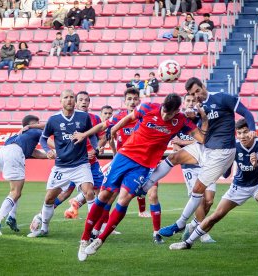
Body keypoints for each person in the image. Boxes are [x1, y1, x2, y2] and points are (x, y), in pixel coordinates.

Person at [73, 92, 208, 261]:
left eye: (169, 113)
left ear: (176, 112)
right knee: (104, 195)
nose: (165, 115)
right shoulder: (147, 107)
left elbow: (203, 138)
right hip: (125, 156)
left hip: (143, 166)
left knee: (124, 199)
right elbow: (128, 118)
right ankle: (84, 239)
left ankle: (101, 239)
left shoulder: (180, 120)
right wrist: (114, 128)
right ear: (163, 105)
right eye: (164, 111)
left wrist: (203, 117)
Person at [144, 77, 256, 238]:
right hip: (205, 147)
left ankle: (180, 224)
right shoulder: (199, 107)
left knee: (198, 190)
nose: (197, 95)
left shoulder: (223, 98)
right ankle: (145, 186)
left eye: (197, 90)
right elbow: (199, 126)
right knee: (174, 157)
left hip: (221, 152)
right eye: (192, 94)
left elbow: (246, 113)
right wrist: (195, 115)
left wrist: (253, 130)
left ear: (203, 86)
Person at [170, 119, 258, 254]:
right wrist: (223, 166)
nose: (242, 136)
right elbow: (227, 172)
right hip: (239, 186)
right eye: (239, 133)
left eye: (245, 132)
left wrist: (256, 165)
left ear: (251, 132)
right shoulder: (233, 146)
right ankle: (187, 243)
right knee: (216, 215)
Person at [28, 91, 104, 231]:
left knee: (89, 192)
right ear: (60, 101)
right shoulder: (53, 119)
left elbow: (92, 135)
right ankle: (43, 227)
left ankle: (94, 230)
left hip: (81, 164)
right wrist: (47, 150)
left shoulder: (84, 117)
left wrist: (95, 148)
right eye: (66, 97)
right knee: (50, 198)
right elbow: (43, 138)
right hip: (62, 166)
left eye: (71, 97)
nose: (69, 100)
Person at [0, 115, 46, 235]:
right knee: (16, 192)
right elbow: (49, 128)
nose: (39, 125)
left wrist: (56, 155)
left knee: (16, 191)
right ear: (31, 124)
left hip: (3, 152)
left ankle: (12, 217)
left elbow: (36, 153)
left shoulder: (21, 135)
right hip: (14, 153)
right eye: (37, 123)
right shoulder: (34, 130)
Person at [173, 93, 216, 243]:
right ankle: (203, 233)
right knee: (198, 198)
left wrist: (184, 142)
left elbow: (203, 141)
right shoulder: (178, 120)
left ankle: (193, 225)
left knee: (209, 200)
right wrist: (183, 144)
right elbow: (175, 144)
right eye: (188, 100)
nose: (191, 103)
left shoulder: (203, 119)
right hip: (189, 165)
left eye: (194, 100)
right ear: (184, 103)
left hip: (206, 163)